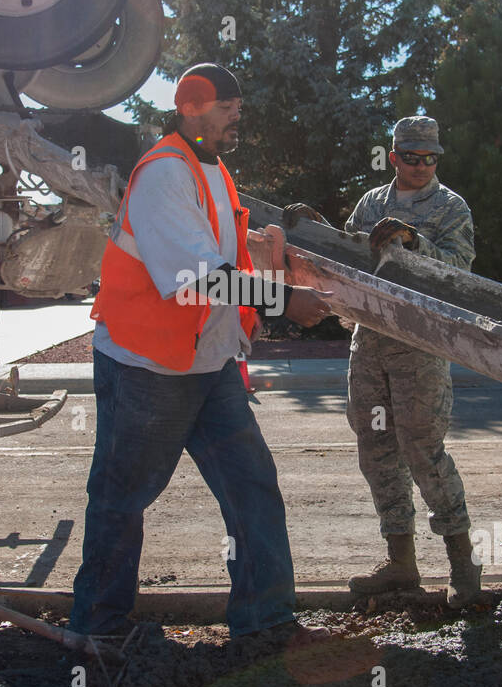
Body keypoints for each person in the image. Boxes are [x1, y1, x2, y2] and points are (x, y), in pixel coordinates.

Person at [70, 63, 334, 647]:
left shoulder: (212, 170)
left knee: (252, 488)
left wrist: (264, 283)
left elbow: (222, 264)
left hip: (207, 365)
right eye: (226, 108)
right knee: (121, 498)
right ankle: (98, 632)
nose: (236, 117)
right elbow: (195, 279)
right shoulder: (166, 173)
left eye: (238, 108)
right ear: (190, 106)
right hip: (149, 367)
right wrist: (281, 301)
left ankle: (266, 624)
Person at [286, 116, 481, 607]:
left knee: (424, 450)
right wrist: (316, 231)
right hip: (370, 341)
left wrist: (416, 242)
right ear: (393, 156)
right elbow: (349, 260)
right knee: (375, 450)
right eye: (411, 157)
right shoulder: (372, 203)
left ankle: (462, 566)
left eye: (430, 158)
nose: (421, 166)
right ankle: (401, 563)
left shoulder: (451, 207)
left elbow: (460, 273)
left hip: (421, 346)